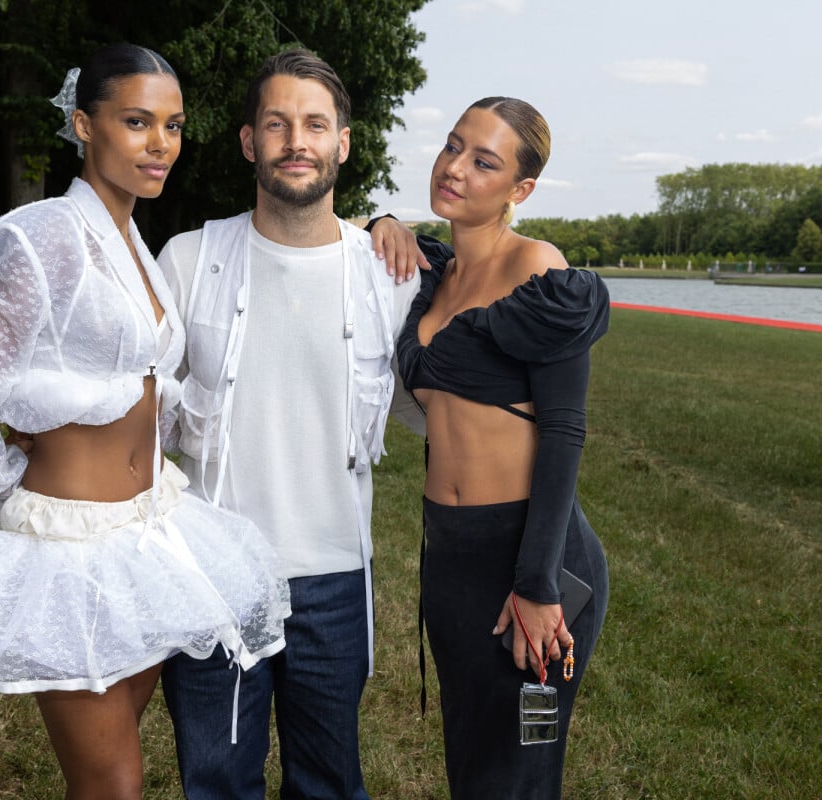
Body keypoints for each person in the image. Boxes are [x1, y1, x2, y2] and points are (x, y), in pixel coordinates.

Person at [0, 44, 290, 800]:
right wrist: (10, 500)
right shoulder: (46, 236)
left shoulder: (133, 243)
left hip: (147, 535)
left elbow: (129, 386)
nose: (161, 143)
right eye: (136, 121)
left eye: (174, 125)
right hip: (67, 548)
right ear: (83, 125)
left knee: (109, 761)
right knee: (115, 782)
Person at [156, 48, 421, 800]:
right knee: (217, 780)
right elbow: (138, 416)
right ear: (249, 142)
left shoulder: (387, 273)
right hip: (216, 571)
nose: (295, 141)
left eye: (314, 124)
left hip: (337, 575)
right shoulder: (188, 259)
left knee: (330, 782)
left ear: (343, 142)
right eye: (277, 124)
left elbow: (437, 409)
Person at [385, 97, 609, 799]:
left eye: (484, 161)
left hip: (531, 559)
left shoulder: (540, 271)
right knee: (473, 769)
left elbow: (565, 431)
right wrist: (381, 222)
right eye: (452, 146)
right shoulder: (435, 274)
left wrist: (538, 586)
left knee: (518, 774)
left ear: (520, 190)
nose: (454, 167)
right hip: (449, 556)